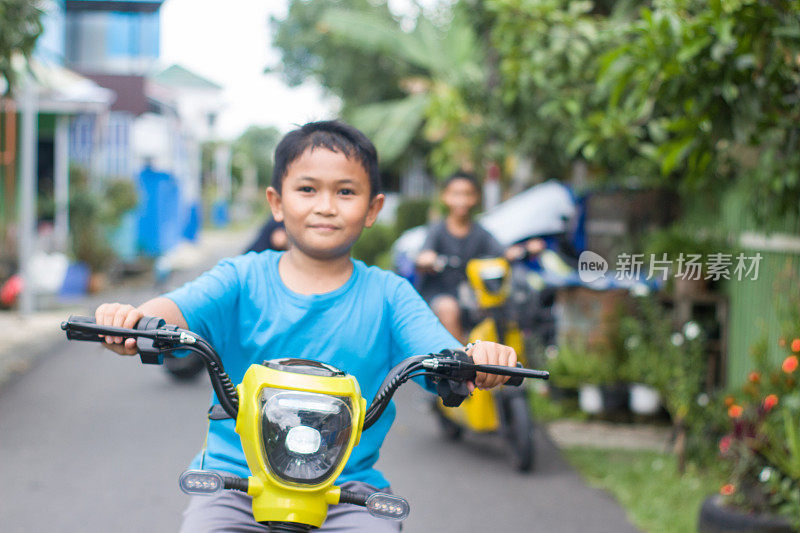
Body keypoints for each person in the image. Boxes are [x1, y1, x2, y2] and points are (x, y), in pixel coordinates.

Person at [93, 121, 519, 533]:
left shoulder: (391, 294)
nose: (326, 205)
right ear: (277, 202)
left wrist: (476, 358)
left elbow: (441, 350)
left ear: (373, 208)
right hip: (235, 484)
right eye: (307, 189)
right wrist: (135, 320)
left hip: (346, 491)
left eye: (346, 191)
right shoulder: (240, 278)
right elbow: (176, 307)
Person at [415, 172, 524, 344]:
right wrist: (428, 259)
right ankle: (460, 361)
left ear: (476, 197)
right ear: (445, 196)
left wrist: (524, 249)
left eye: (467, 194)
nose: (462, 200)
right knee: (448, 308)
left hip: (473, 296)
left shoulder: (480, 233)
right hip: (440, 294)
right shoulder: (437, 231)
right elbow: (423, 256)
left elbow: (502, 251)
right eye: (456, 194)